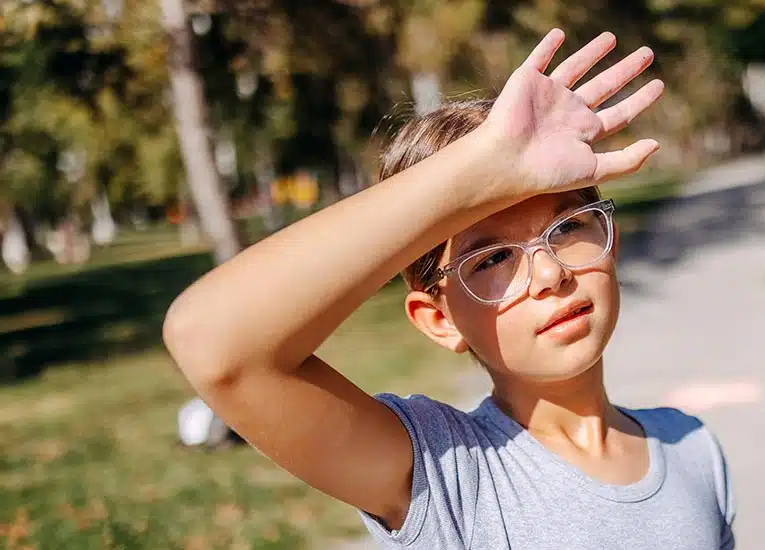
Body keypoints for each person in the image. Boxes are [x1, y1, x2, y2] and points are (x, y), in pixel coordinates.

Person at [163, 29, 735, 549]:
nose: (550, 274)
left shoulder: (693, 449)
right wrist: (482, 170)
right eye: (492, 259)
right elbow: (211, 343)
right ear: (439, 320)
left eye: (568, 228)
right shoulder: (444, 474)